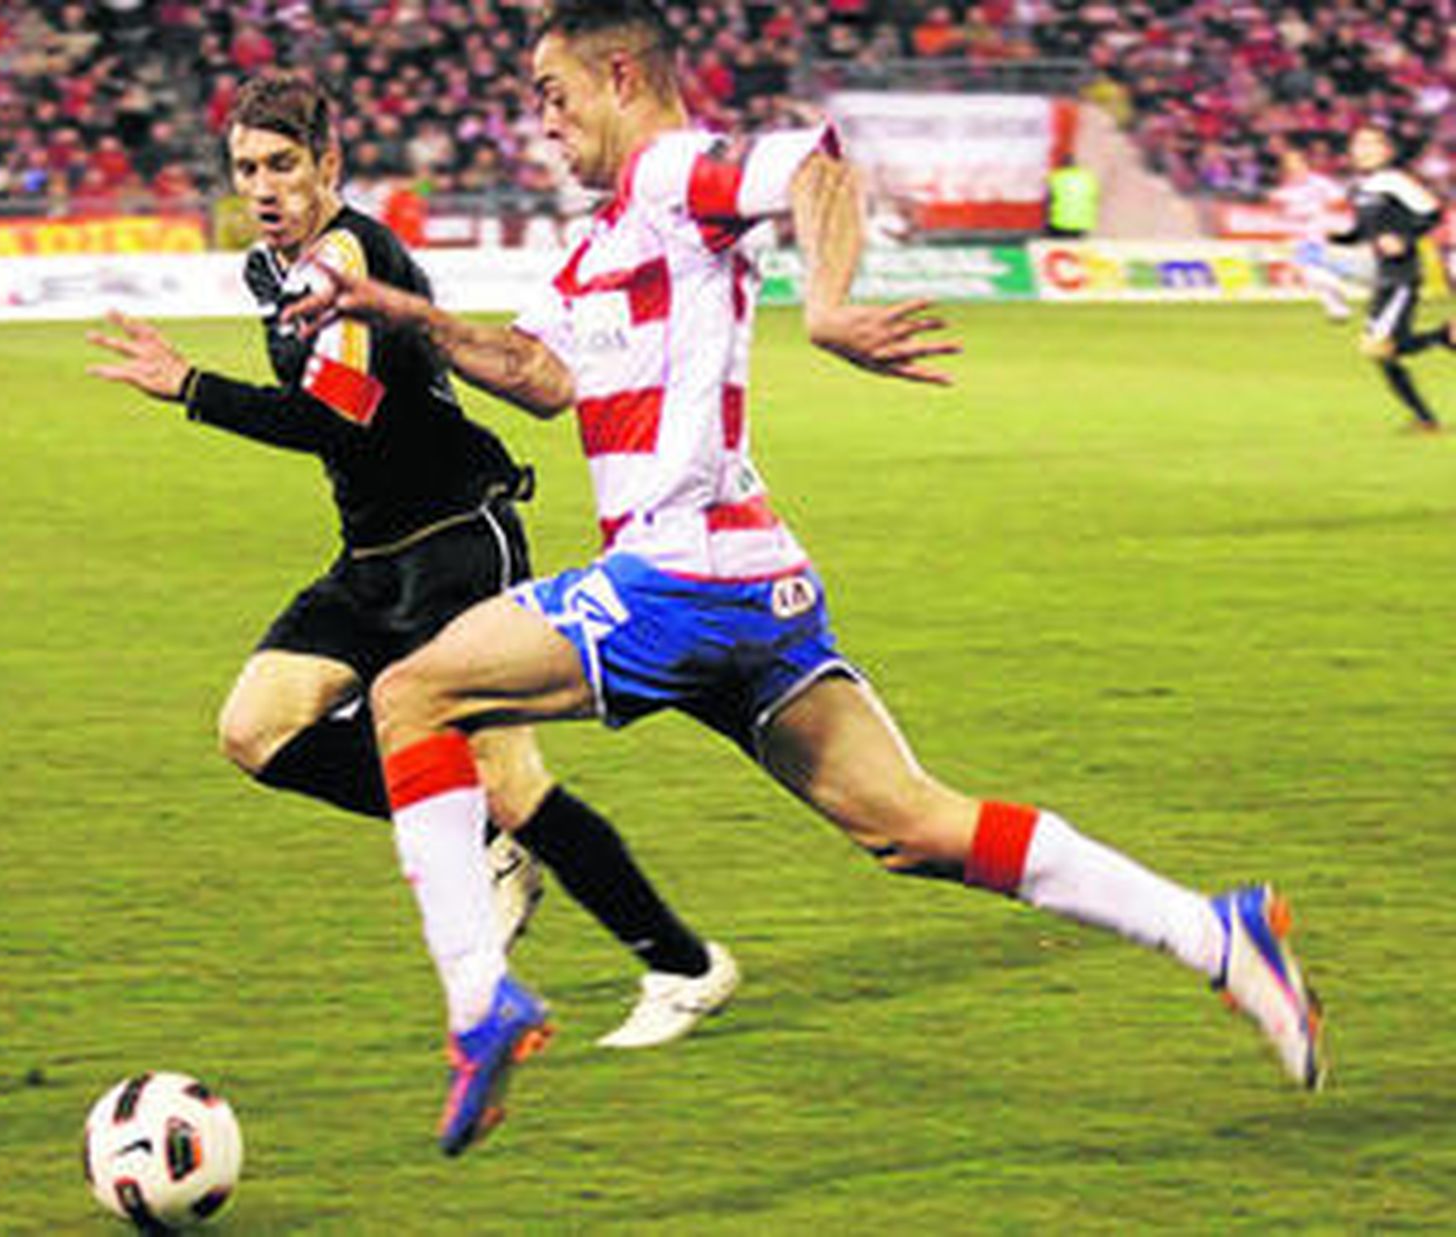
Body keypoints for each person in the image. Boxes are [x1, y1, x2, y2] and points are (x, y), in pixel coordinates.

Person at [287, 0, 1326, 1158]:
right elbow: (536, 376)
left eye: (548, 91)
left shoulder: (680, 170)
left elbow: (818, 164)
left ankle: (480, 1004)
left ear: (620, 73)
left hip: (678, 577)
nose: (539, 118)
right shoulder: (601, 240)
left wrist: (824, 307)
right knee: (913, 826)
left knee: (409, 696)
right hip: (745, 584)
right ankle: (1216, 931)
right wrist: (398, 312)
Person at [83, 71, 740, 1062]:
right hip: (371, 554)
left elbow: (332, 414)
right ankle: (483, 842)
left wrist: (188, 387)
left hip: (456, 541)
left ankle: (684, 962)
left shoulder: (347, 255)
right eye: (245, 168)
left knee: (511, 776)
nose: (262, 187)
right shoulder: (276, 269)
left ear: (329, 165)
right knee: (256, 729)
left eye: (282, 165)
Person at [1331, 125, 1450, 433]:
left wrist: (1404, 238)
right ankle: (1426, 418)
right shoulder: (1360, 187)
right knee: (1384, 352)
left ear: (1388, 151)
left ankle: (1441, 340)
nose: (1363, 149)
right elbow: (1363, 230)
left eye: (1372, 143)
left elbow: (1432, 213)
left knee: (1377, 347)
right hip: (1384, 277)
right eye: (1358, 143)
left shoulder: (1395, 182)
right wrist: (1339, 238)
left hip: (1402, 275)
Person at [1271, 145, 1352, 323]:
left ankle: (1338, 299)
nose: (1293, 165)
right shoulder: (1285, 188)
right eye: (1288, 162)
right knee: (1311, 273)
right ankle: (1337, 308)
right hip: (1297, 235)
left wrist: (1321, 213)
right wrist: (1289, 215)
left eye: (1296, 161)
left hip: (1318, 233)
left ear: (1304, 162)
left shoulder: (1320, 183)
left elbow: (1339, 199)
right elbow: (1280, 211)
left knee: (1309, 271)